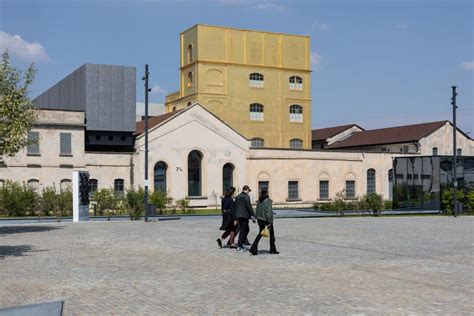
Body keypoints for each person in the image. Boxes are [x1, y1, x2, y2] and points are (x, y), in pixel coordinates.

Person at [249, 188, 278, 255]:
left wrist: (257, 217)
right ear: (267, 192)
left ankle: (254, 248)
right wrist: (270, 221)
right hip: (266, 220)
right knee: (272, 235)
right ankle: (272, 249)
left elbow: (257, 210)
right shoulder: (267, 201)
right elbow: (268, 212)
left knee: (260, 234)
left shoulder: (259, 200)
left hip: (260, 219)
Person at [233, 185, 255, 252]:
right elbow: (249, 206)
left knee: (246, 229)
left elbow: (235, 207)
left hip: (239, 216)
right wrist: (252, 215)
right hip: (244, 216)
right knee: (243, 230)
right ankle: (239, 246)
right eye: (248, 191)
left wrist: (235, 217)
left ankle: (242, 243)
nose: (249, 192)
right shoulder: (246, 197)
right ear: (247, 189)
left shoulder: (238, 196)